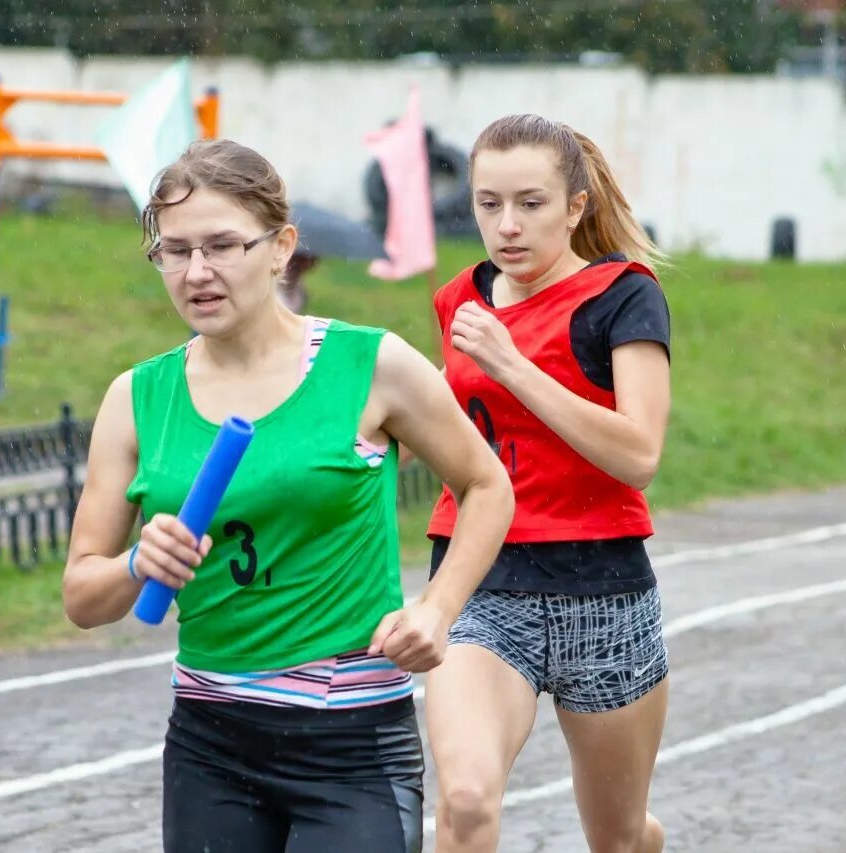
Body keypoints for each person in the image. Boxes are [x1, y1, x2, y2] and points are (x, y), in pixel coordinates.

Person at [61, 139, 513, 853]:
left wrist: (438, 606)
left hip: (352, 741)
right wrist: (135, 566)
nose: (197, 272)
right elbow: (83, 594)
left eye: (222, 246)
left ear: (281, 248)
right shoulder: (138, 398)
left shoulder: (371, 365)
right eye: (174, 252)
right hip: (211, 741)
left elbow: (488, 484)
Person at [423, 114, 673, 853]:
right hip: (480, 581)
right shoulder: (459, 300)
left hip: (603, 591)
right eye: (487, 203)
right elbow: (452, 418)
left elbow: (639, 454)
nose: (506, 225)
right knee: (465, 801)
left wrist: (513, 366)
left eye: (530, 204)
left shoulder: (624, 295)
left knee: (618, 837)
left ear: (576, 205)